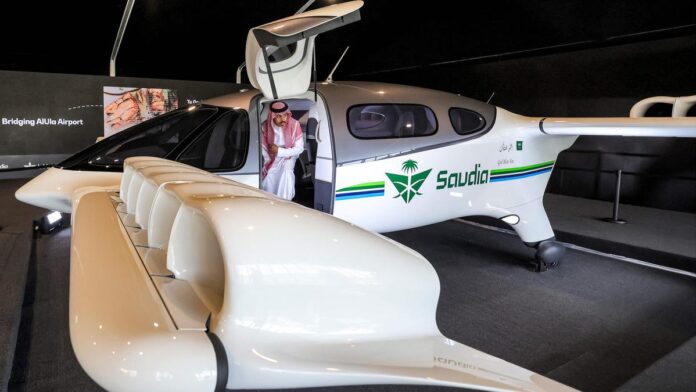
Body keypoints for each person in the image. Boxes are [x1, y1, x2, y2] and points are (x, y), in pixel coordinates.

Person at [261, 100, 304, 200]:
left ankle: (285, 203)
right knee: (269, 176)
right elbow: (264, 149)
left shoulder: (295, 124)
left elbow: (299, 149)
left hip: (289, 156)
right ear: (272, 116)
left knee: (286, 174)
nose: (283, 119)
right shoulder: (265, 126)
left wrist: (280, 151)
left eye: (285, 115)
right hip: (272, 157)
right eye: (279, 116)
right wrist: (270, 161)